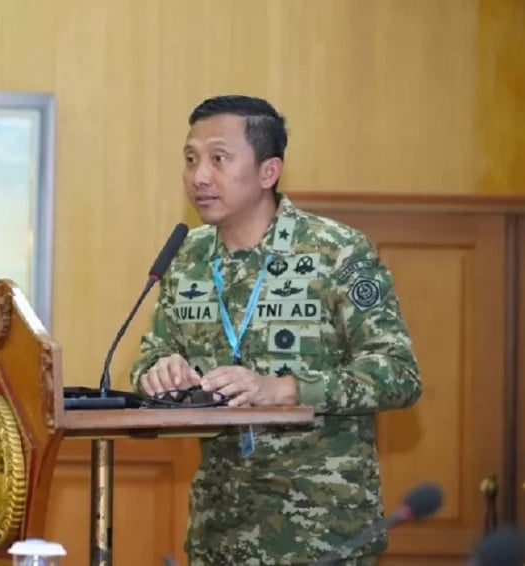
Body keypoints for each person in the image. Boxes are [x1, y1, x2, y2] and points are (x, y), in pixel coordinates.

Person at [130, 95, 422, 565]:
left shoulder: (335, 251)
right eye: (191, 159)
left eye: (218, 159)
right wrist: (158, 371)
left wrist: (284, 389)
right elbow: (150, 355)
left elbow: (398, 373)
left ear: (268, 172)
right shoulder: (185, 260)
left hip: (322, 538)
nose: (199, 176)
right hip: (219, 535)